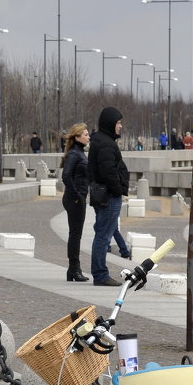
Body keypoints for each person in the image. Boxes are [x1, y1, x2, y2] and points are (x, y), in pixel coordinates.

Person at [87, 106, 129, 287]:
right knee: (103, 235)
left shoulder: (101, 140)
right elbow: (108, 171)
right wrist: (118, 190)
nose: (120, 126)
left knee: (102, 234)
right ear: (110, 123)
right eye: (118, 123)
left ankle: (100, 273)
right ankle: (100, 274)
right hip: (109, 196)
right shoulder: (105, 143)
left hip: (104, 194)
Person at [58, 123, 91, 282]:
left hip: (78, 197)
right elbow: (66, 176)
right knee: (75, 235)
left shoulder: (79, 153)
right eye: (85, 134)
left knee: (75, 234)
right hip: (75, 199)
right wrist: (77, 196)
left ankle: (72, 270)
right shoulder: (74, 154)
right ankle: (74, 269)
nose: (88, 136)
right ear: (77, 137)